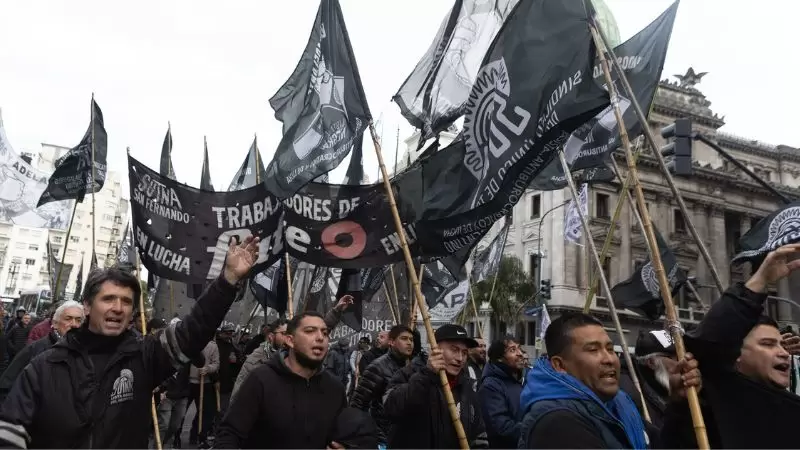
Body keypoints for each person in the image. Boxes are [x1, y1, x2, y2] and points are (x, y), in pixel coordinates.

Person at [0, 236, 260, 448]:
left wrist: (228, 280)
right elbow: (10, 433)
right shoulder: (44, 366)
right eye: (108, 299)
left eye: (126, 301)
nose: (118, 308)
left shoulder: (145, 357)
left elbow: (193, 330)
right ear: (87, 306)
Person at [661, 243, 800, 448]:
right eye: (768, 344)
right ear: (736, 354)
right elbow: (710, 343)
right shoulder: (718, 409)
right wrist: (759, 281)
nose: (783, 353)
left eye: (781, 345)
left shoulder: (789, 410)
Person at [518, 312, 701, 449]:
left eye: (610, 349)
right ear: (560, 365)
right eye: (593, 350)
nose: (609, 359)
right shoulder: (556, 423)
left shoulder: (621, 404)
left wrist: (679, 404)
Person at [215, 311, 348, 448]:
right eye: (310, 331)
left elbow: (345, 437)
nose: (320, 337)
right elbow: (229, 434)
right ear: (290, 340)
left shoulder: (335, 388)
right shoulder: (261, 380)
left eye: (325, 333)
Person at [383, 324, 489, 449]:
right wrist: (426, 375)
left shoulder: (468, 386)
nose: (460, 358)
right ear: (435, 349)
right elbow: (391, 407)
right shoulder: (408, 374)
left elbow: (478, 433)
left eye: (464, 353)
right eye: (454, 350)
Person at [231, 295, 351, 397]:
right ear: (271, 337)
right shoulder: (257, 360)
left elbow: (321, 329)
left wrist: (336, 311)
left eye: (290, 334)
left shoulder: (294, 355)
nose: (288, 337)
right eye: (283, 334)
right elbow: (239, 396)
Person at [0, 301, 84, 403]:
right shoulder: (36, 349)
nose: (74, 324)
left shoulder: (85, 353)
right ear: (55, 323)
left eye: (79, 320)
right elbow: (7, 385)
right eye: (68, 319)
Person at [350, 325, 414, 444]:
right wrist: (374, 434)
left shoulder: (412, 368)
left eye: (411, 339)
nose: (409, 343)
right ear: (391, 342)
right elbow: (357, 405)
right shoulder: (378, 367)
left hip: (406, 438)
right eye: (404, 338)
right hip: (383, 439)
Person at [619, 330, 677, 430]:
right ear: (651, 362)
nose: (681, 363)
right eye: (674, 358)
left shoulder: (664, 388)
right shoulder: (629, 394)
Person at [478, 336, 525, 449]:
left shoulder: (520, 380)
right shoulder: (491, 386)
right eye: (512, 350)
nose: (520, 354)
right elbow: (501, 428)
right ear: (499, 358)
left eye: (519, 348)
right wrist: (533, 429)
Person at [188, 339, 219, 447]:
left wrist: (208, 369)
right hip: (188, 383)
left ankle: (201, 436)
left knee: (206, 412)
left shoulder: (212, 346)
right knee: (181, 412)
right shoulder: (189, 342)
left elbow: (216, 363)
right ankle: (176, 437)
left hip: (205, 382)